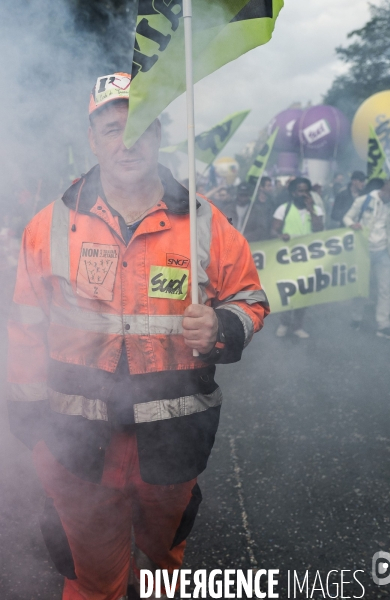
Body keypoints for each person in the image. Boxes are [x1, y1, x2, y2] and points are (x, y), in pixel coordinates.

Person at [7, 72, 269, 600]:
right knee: (91, 578)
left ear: (159, 134)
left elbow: (251, 299)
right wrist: (32, 422)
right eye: (110, 129)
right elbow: (25, 326)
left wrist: (222, 325)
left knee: (165, 567)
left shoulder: (204, 221)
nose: (126, 142)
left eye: (140, 126)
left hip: (173, 441)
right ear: (91, 137)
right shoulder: (49, 225)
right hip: (76, 442)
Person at [343, 176, 390, 339]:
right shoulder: (364, 200)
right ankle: (356, 318)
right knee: (361, 287)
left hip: (384, 253)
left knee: (385, 289)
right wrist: (351, 225)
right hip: (363, 251)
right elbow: (347, 217)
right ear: (386, 189)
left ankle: (383, 324)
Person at [271, 177, 324, 339]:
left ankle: (297, 326)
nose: (304, 194)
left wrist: (311, 209)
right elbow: (273, 231)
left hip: (307, 260)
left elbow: (319, 229)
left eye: (306, 191)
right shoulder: (283, 209)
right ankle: (284, 323)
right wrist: (281, 235)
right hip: (287, 259)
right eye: (300, 191)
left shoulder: (316, 210)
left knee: (303, 294)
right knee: (287, 293)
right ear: (293, 193)